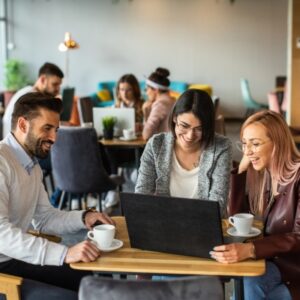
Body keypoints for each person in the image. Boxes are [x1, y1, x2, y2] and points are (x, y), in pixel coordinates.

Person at [0, 92, 115, 299]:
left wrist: (84, 217)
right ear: (23, 125)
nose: (54, 138)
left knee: (86, 280)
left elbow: (44, 218)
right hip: (3, 271)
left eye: (56, 130)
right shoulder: (2, 162)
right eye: (47, 128)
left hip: (15, 258)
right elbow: (1, 236)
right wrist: (64, 253)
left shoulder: (31, 165)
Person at [210, 110, 300, 300]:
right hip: (277, 264)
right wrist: (240, 171)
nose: (247, 151)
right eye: (244, 144)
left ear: (277, 144)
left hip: (295, 271)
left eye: (255, 144)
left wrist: (251, 249)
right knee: (246, 285)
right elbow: (237, 217)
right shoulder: (268, 174)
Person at [136, 89, 232, 215]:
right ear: (175, 118)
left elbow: (218, 204)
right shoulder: (156, 145)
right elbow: (141, 196)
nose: (190, 135)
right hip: (162, 223)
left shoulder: (221, 147)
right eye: (184, 126)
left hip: (204, 227)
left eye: (199, 129)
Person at [2, 62, 64, 138]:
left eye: (59, 85)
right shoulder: (31, 97)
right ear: (43, 80)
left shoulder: (31, 92)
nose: (58, 89)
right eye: (54, 84)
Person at [142, 67, 175, 140]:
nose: (147, 93)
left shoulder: (160, 105)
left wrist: (145, 112)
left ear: (156, 90)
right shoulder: (173, 101)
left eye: (147, 89)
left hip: (162, 147)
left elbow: (146, 135)